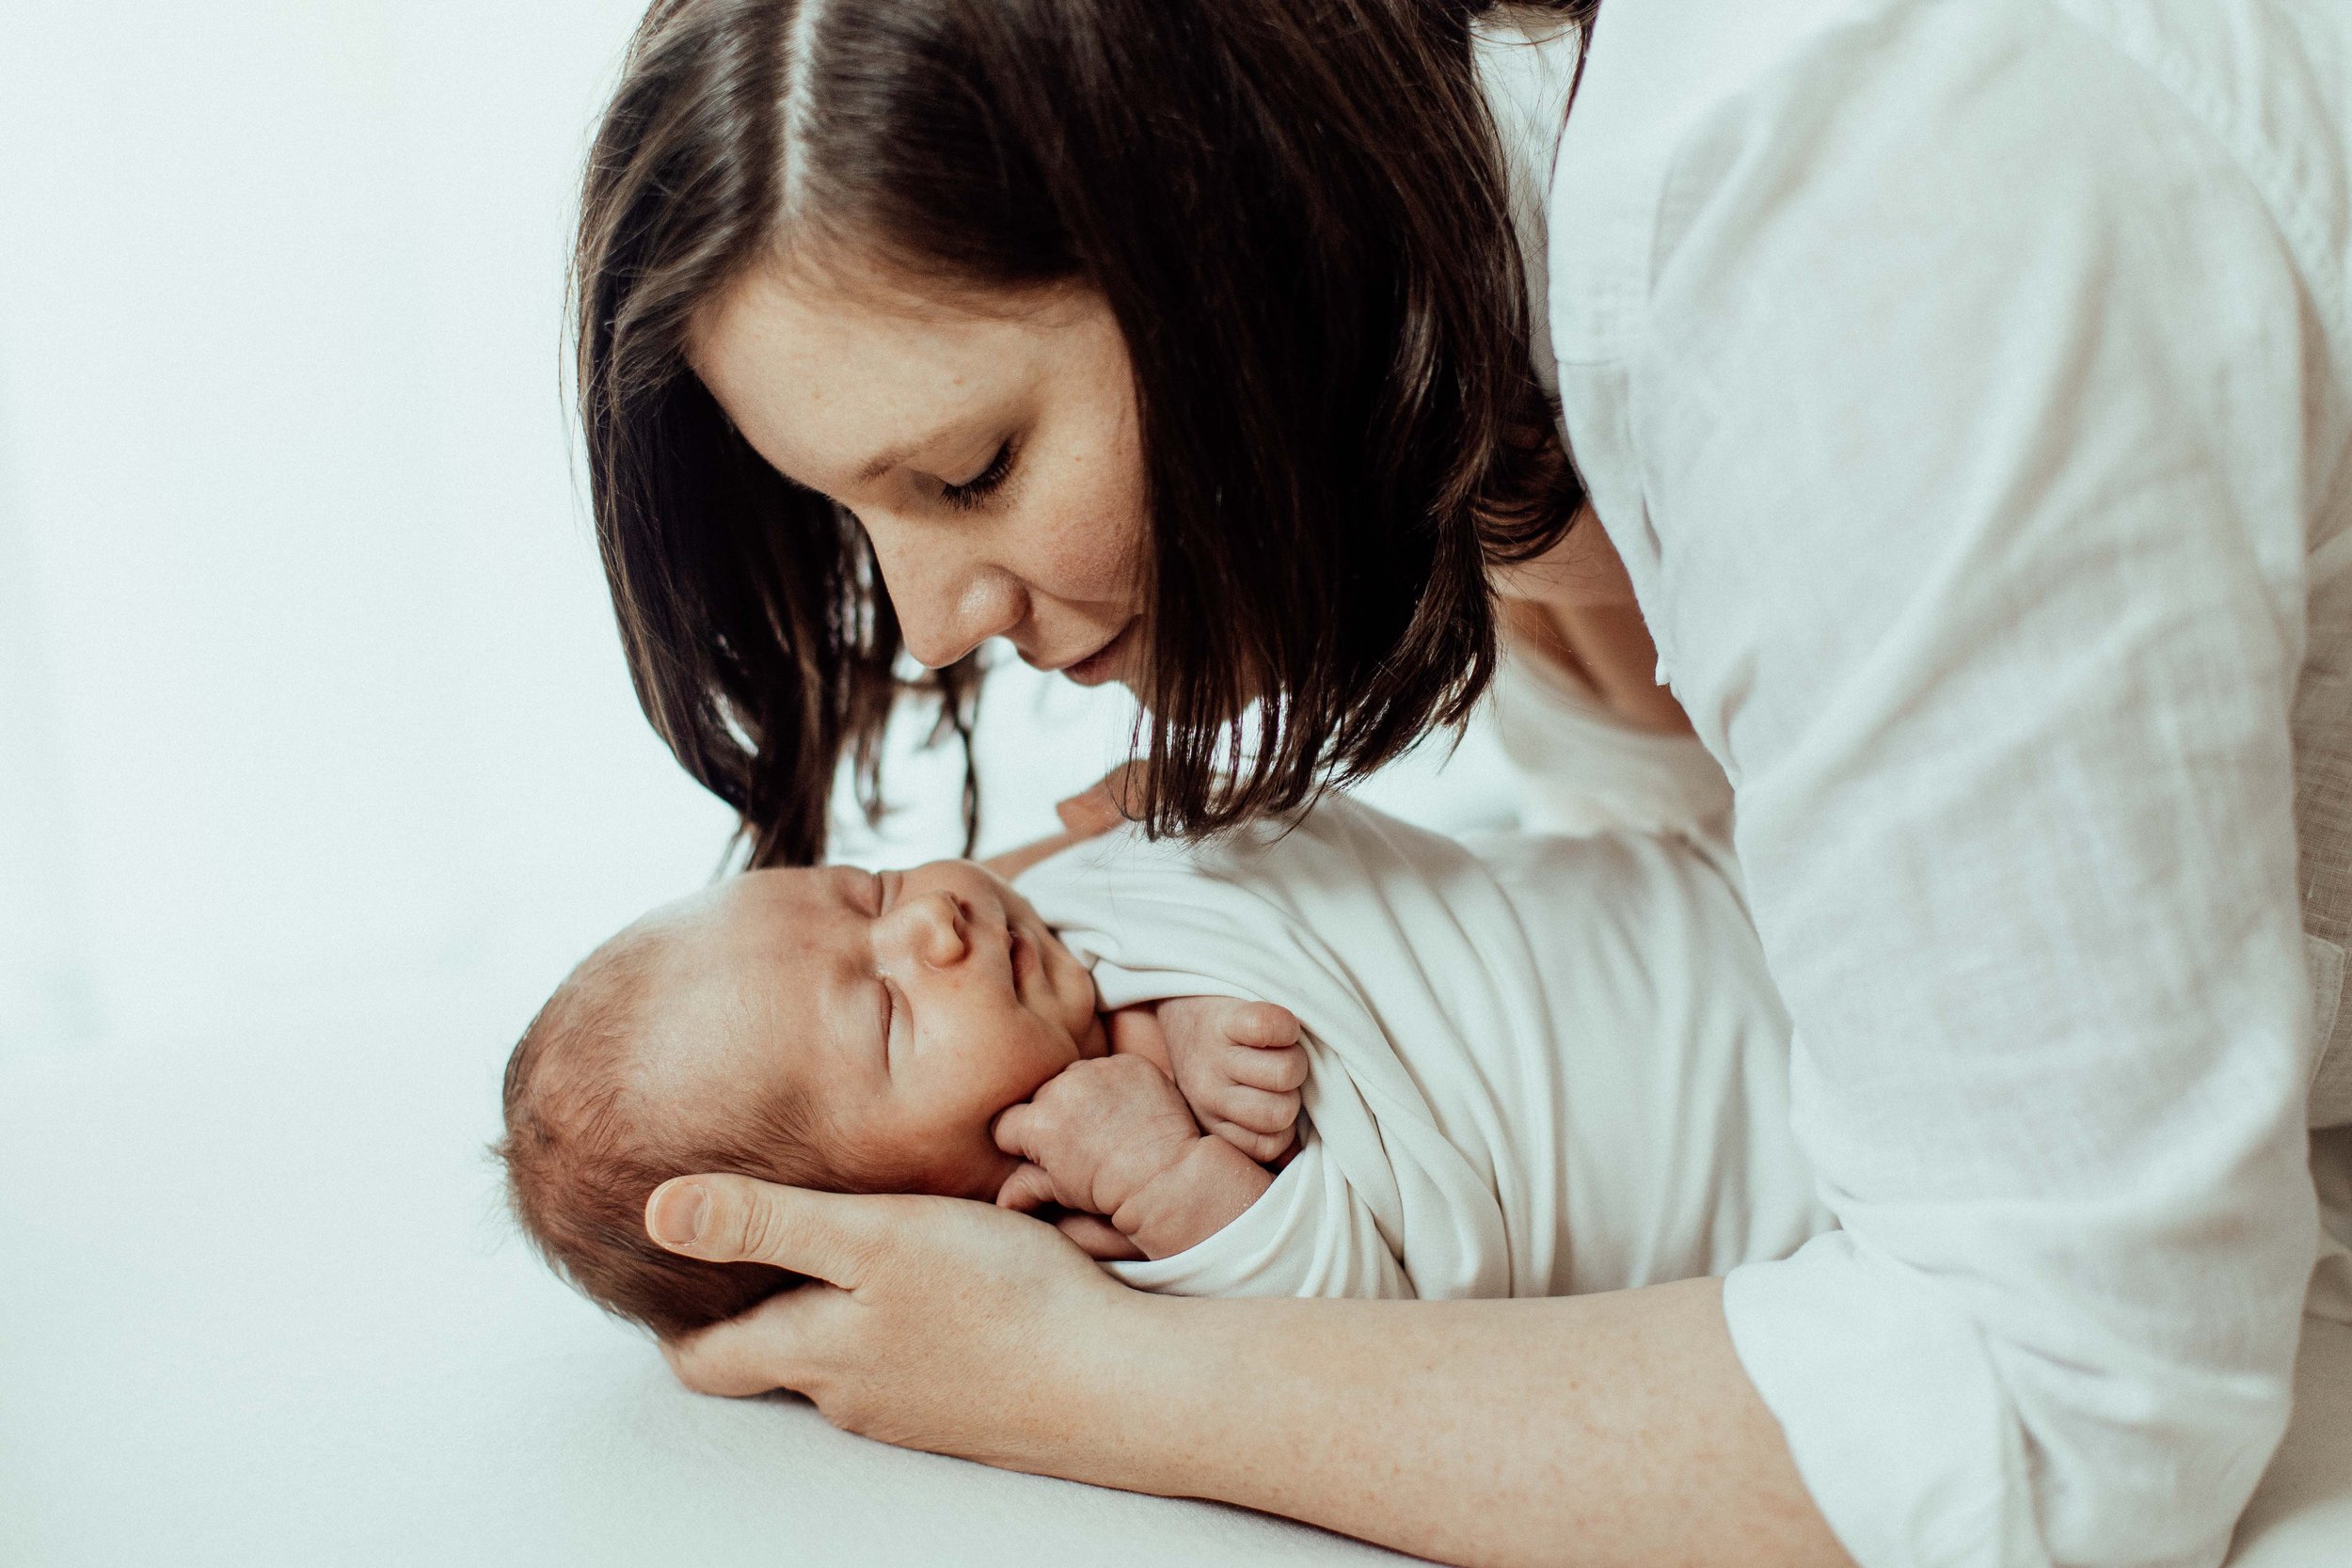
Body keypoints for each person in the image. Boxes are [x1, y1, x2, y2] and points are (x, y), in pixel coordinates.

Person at [568, 2, 2352, 1565]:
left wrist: (1089, 1376)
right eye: (848, 513)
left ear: (1230, 220)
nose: (937, 625)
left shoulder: (1859, 200)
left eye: (973, 469)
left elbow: (2057, 1429)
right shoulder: (1493, 381)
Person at [499, 794, 1824, 1331]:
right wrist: (1170, 1168)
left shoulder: (1057, 913)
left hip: (1710, 883)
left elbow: (1278, 845)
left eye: (867, 884)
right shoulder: (1104, 1228)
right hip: (1771, 1141)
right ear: (915, 1214)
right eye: (889, 1013)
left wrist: (1184, 999)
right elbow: (1345, 1320)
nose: (929, 921)